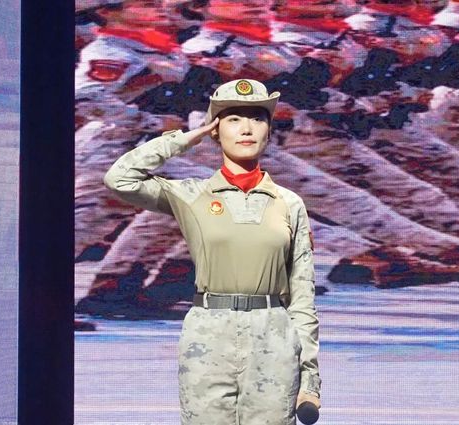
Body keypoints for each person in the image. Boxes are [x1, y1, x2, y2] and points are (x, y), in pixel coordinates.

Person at [104, 78, 321, 424]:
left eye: (257, 118)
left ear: (269, 131)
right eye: (233, 119)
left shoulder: (289, 203)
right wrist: (184, 139)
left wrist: (309, 377)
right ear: (215, 131)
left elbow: (303, 295)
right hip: (208, 332)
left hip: (273, 332)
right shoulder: (191, 194)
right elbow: (120, 179)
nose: (247, 128)